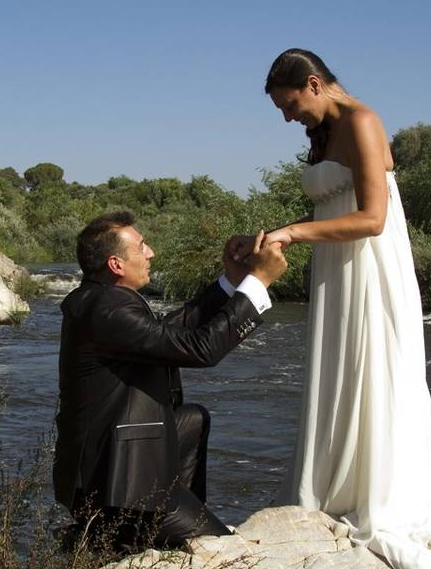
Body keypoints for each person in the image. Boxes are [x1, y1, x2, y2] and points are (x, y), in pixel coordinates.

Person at [231, 49, 431, 569]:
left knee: (377, 370)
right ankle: (338, 486)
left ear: (314, 84)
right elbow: (329, 207)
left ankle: (381, 496)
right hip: (336, 268)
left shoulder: (363, 121)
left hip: (370, 264)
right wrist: (269, 236)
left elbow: (372, 217)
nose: (288, 119)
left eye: (290, 105)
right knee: (339, 370)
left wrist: (290, 233)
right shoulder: (323, 131)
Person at [54, 211, 287, 550]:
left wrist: (232, 280)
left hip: (116, 463)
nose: (151, 253)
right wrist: (258, 282)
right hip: (112, 488)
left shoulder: (102, 299)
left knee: (192, 419)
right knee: (225, 552)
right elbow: (201, 349)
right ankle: (125, 530)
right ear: (116, 264)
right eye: (142, 246)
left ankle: (163, 519)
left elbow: (173, 328)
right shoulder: (107, 310)